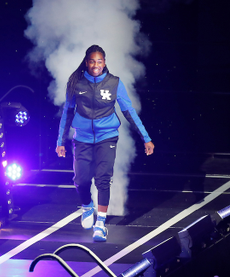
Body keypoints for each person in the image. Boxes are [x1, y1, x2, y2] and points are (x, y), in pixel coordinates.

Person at [55, 45, 155, 242]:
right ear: (86, 62)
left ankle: (100, 224)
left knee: (103, 179)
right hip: (82, 138)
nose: (95, 65)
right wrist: (60, 141)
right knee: (81, 181)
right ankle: (86, 206)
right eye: (92, 61)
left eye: (99, 61)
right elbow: (67, 112)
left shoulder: (114, 83)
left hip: (107, 137)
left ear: (105, 63)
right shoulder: (76, 83)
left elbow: (129, 111)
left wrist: (146, 137)